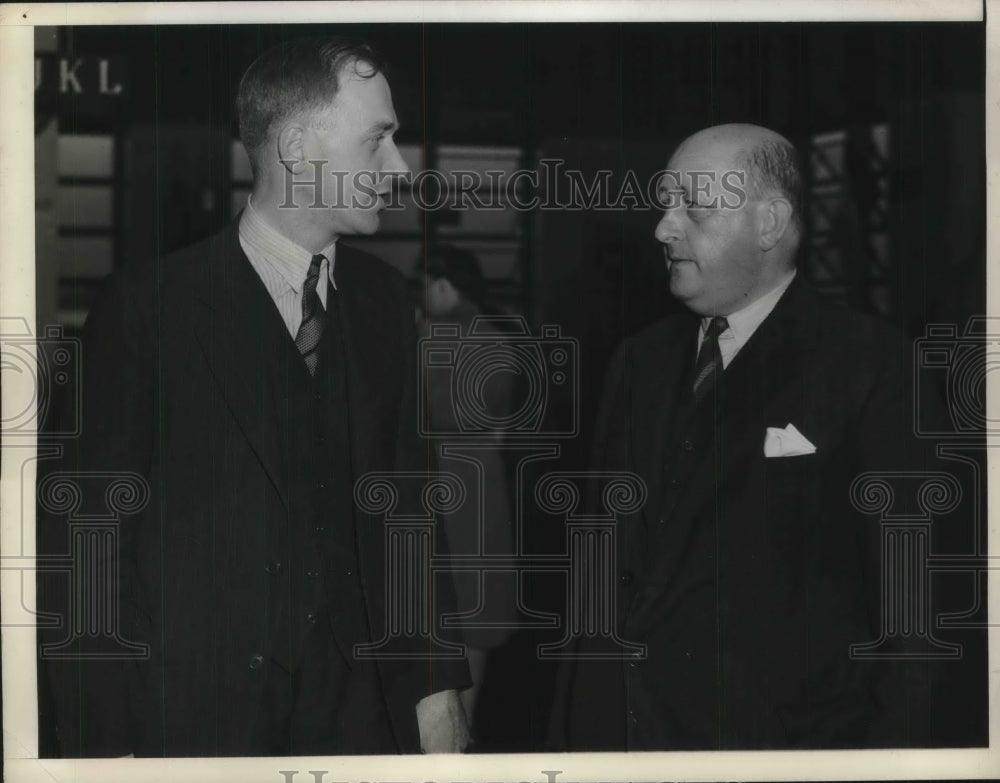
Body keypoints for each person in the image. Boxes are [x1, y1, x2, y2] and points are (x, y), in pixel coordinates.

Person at [38, 37, 470, 757]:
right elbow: (83, 550)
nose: (398, 171)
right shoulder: (147, 308)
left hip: (360, 725)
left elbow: (411, 521)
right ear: (299, 147)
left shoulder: (382, 305)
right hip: (194, 728)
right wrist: (100, 747)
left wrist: (438, 694)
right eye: (379, 140)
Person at [552, 123, 953, 750]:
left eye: (695, 206)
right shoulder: (636, 361)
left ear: (769, 224)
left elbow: (913, 618)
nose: (664, 227)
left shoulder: (870, 364)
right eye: (664, 202)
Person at [418, 245, 519, 729]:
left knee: (427, 603)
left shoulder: (422, 339)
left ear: (443, 285)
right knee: (478, 605)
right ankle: (469, 724)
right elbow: (502, 426)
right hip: (483, 484)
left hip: (430, 480)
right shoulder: (499, 341)